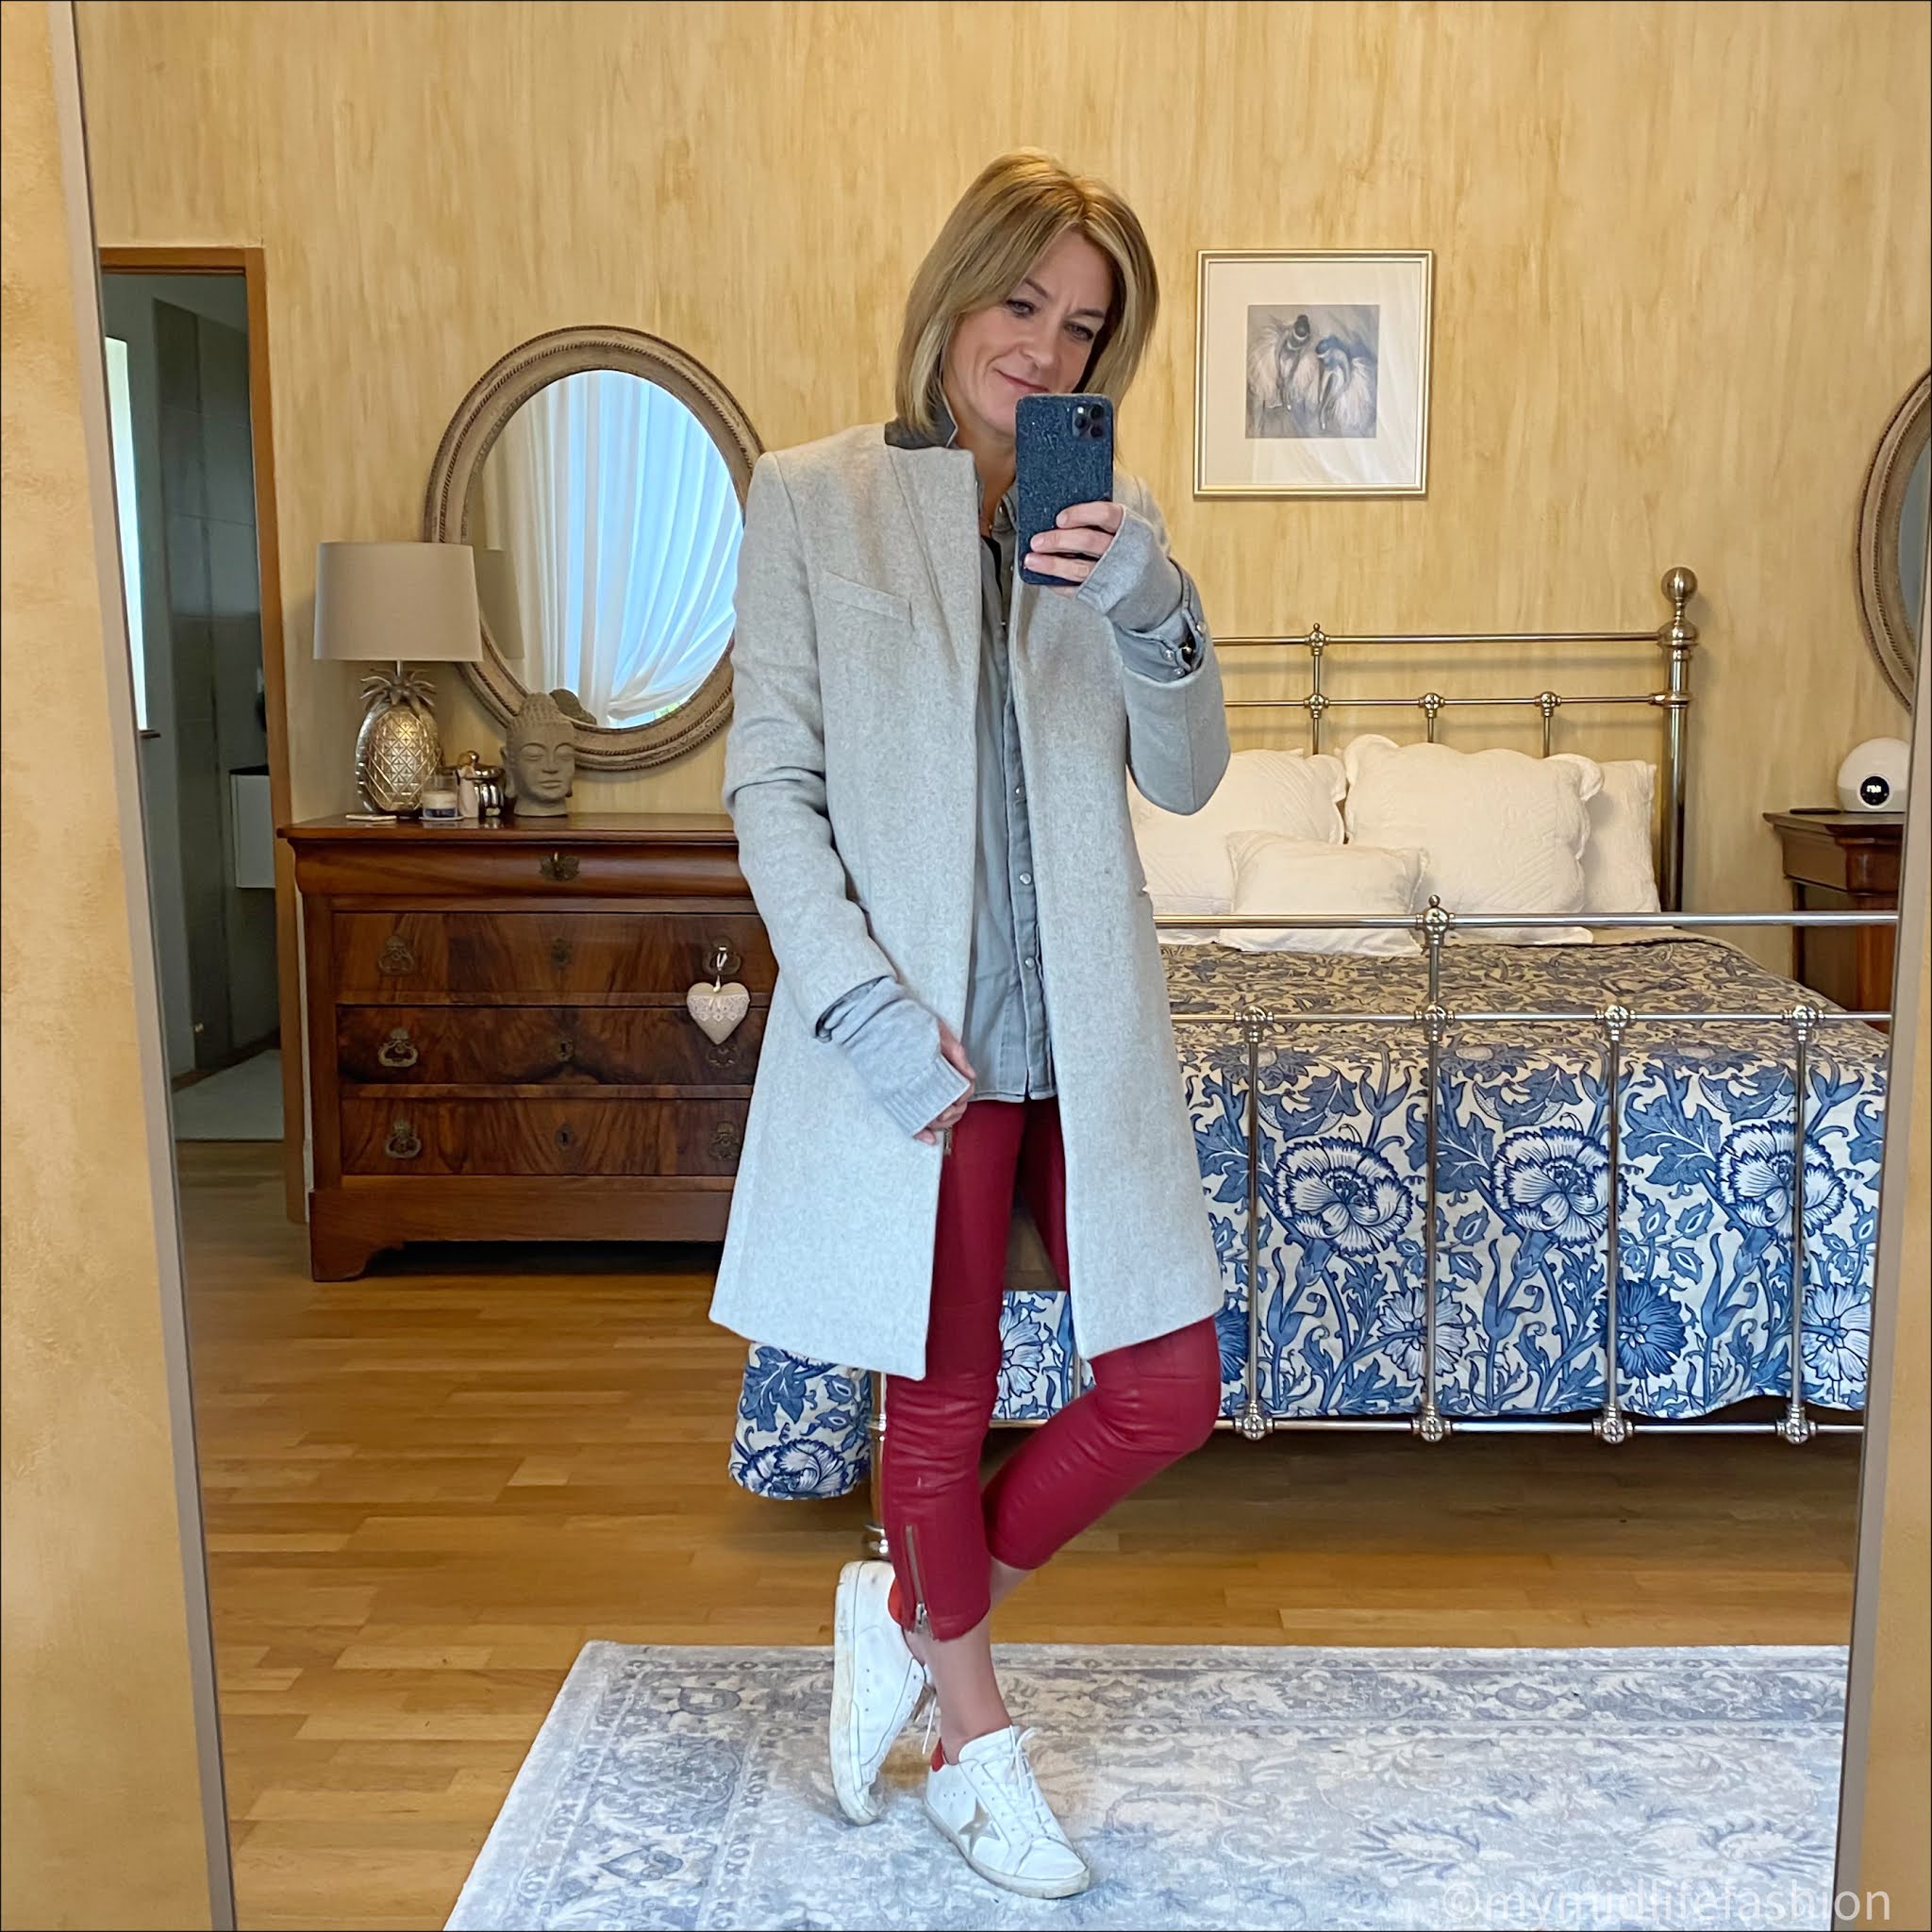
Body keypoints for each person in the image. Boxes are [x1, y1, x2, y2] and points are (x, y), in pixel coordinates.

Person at [709, 148, 1232, 1899]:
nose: (1044, 348)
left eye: (1082, 329)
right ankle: (974, 1750)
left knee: (1167, 1387)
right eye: (1023, 302)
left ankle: (907, 1614)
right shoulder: (814, 497)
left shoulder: (1114, 526)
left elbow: (1188, 776)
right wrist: (855, 1002)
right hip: (919, 1039)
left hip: (1087, 1032)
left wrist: (1152, 605)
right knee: (932, 1408)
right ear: (956, 290)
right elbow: (772, 784)